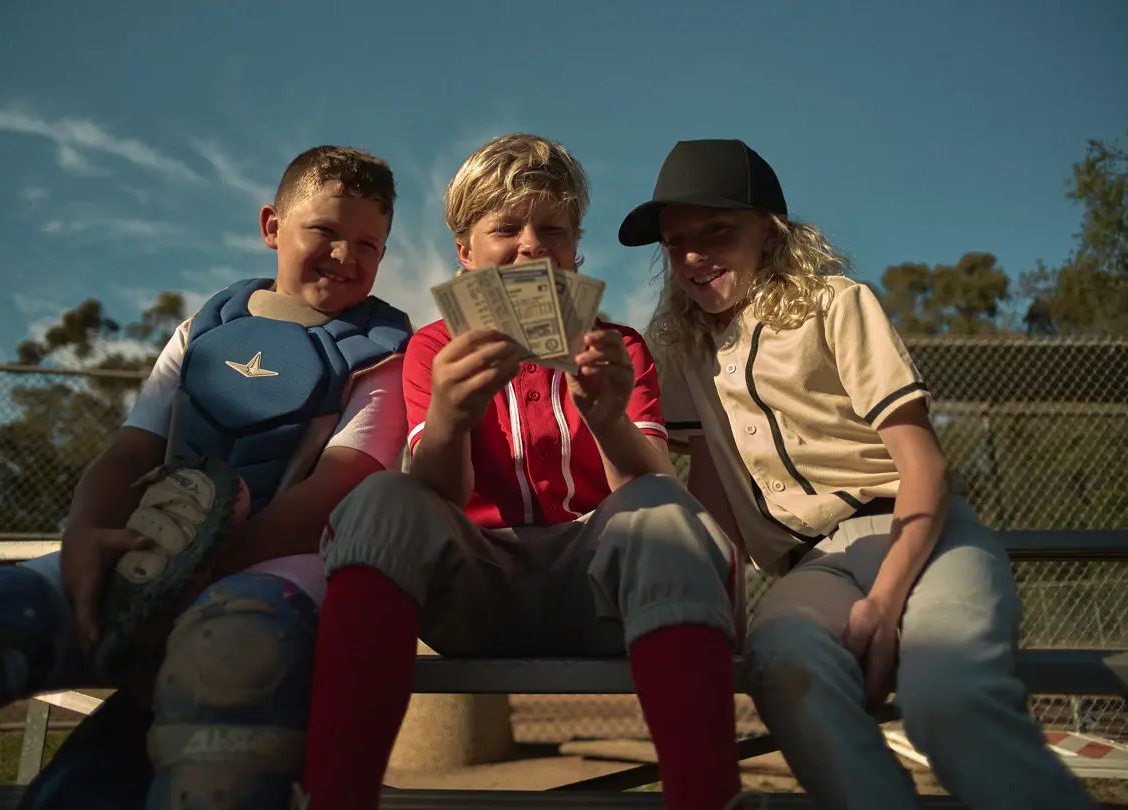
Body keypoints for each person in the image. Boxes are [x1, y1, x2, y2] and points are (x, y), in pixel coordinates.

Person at [0, 145, 413, 810]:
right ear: (271, 226)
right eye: (323, 230)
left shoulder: (380, 355)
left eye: (367, 244)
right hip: (145, 556)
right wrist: (89, 537)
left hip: (278, 571)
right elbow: (129, 451)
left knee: (230, 664)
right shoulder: (206, 329)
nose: (344, 256)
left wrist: (190, 574)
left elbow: (337, 486)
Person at [620, 138, 1098, 810]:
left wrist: (884, 602)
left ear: (769, 229)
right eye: (674, 243)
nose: (693, 255)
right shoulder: (685, 348)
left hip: (917, 534)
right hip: (811, 567)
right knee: (781, 661)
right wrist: (718, 609)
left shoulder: (832, 303)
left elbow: (922, 464)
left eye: (717, 230)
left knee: (948, 698)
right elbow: (711, 488)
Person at [295, 133, 761, 810]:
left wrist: (606, 417)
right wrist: (452, 416)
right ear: (464, 253)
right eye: (504, 228)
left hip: (599, 591)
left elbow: (650, 481)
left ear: (575, 251)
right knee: (384, 498)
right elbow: (440, 495)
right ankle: (337, 796)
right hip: (475, 590)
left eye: (553, 230)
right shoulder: (433, 348)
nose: (531, 246)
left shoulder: (616, 345)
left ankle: (706, 797)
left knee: (666, 511)